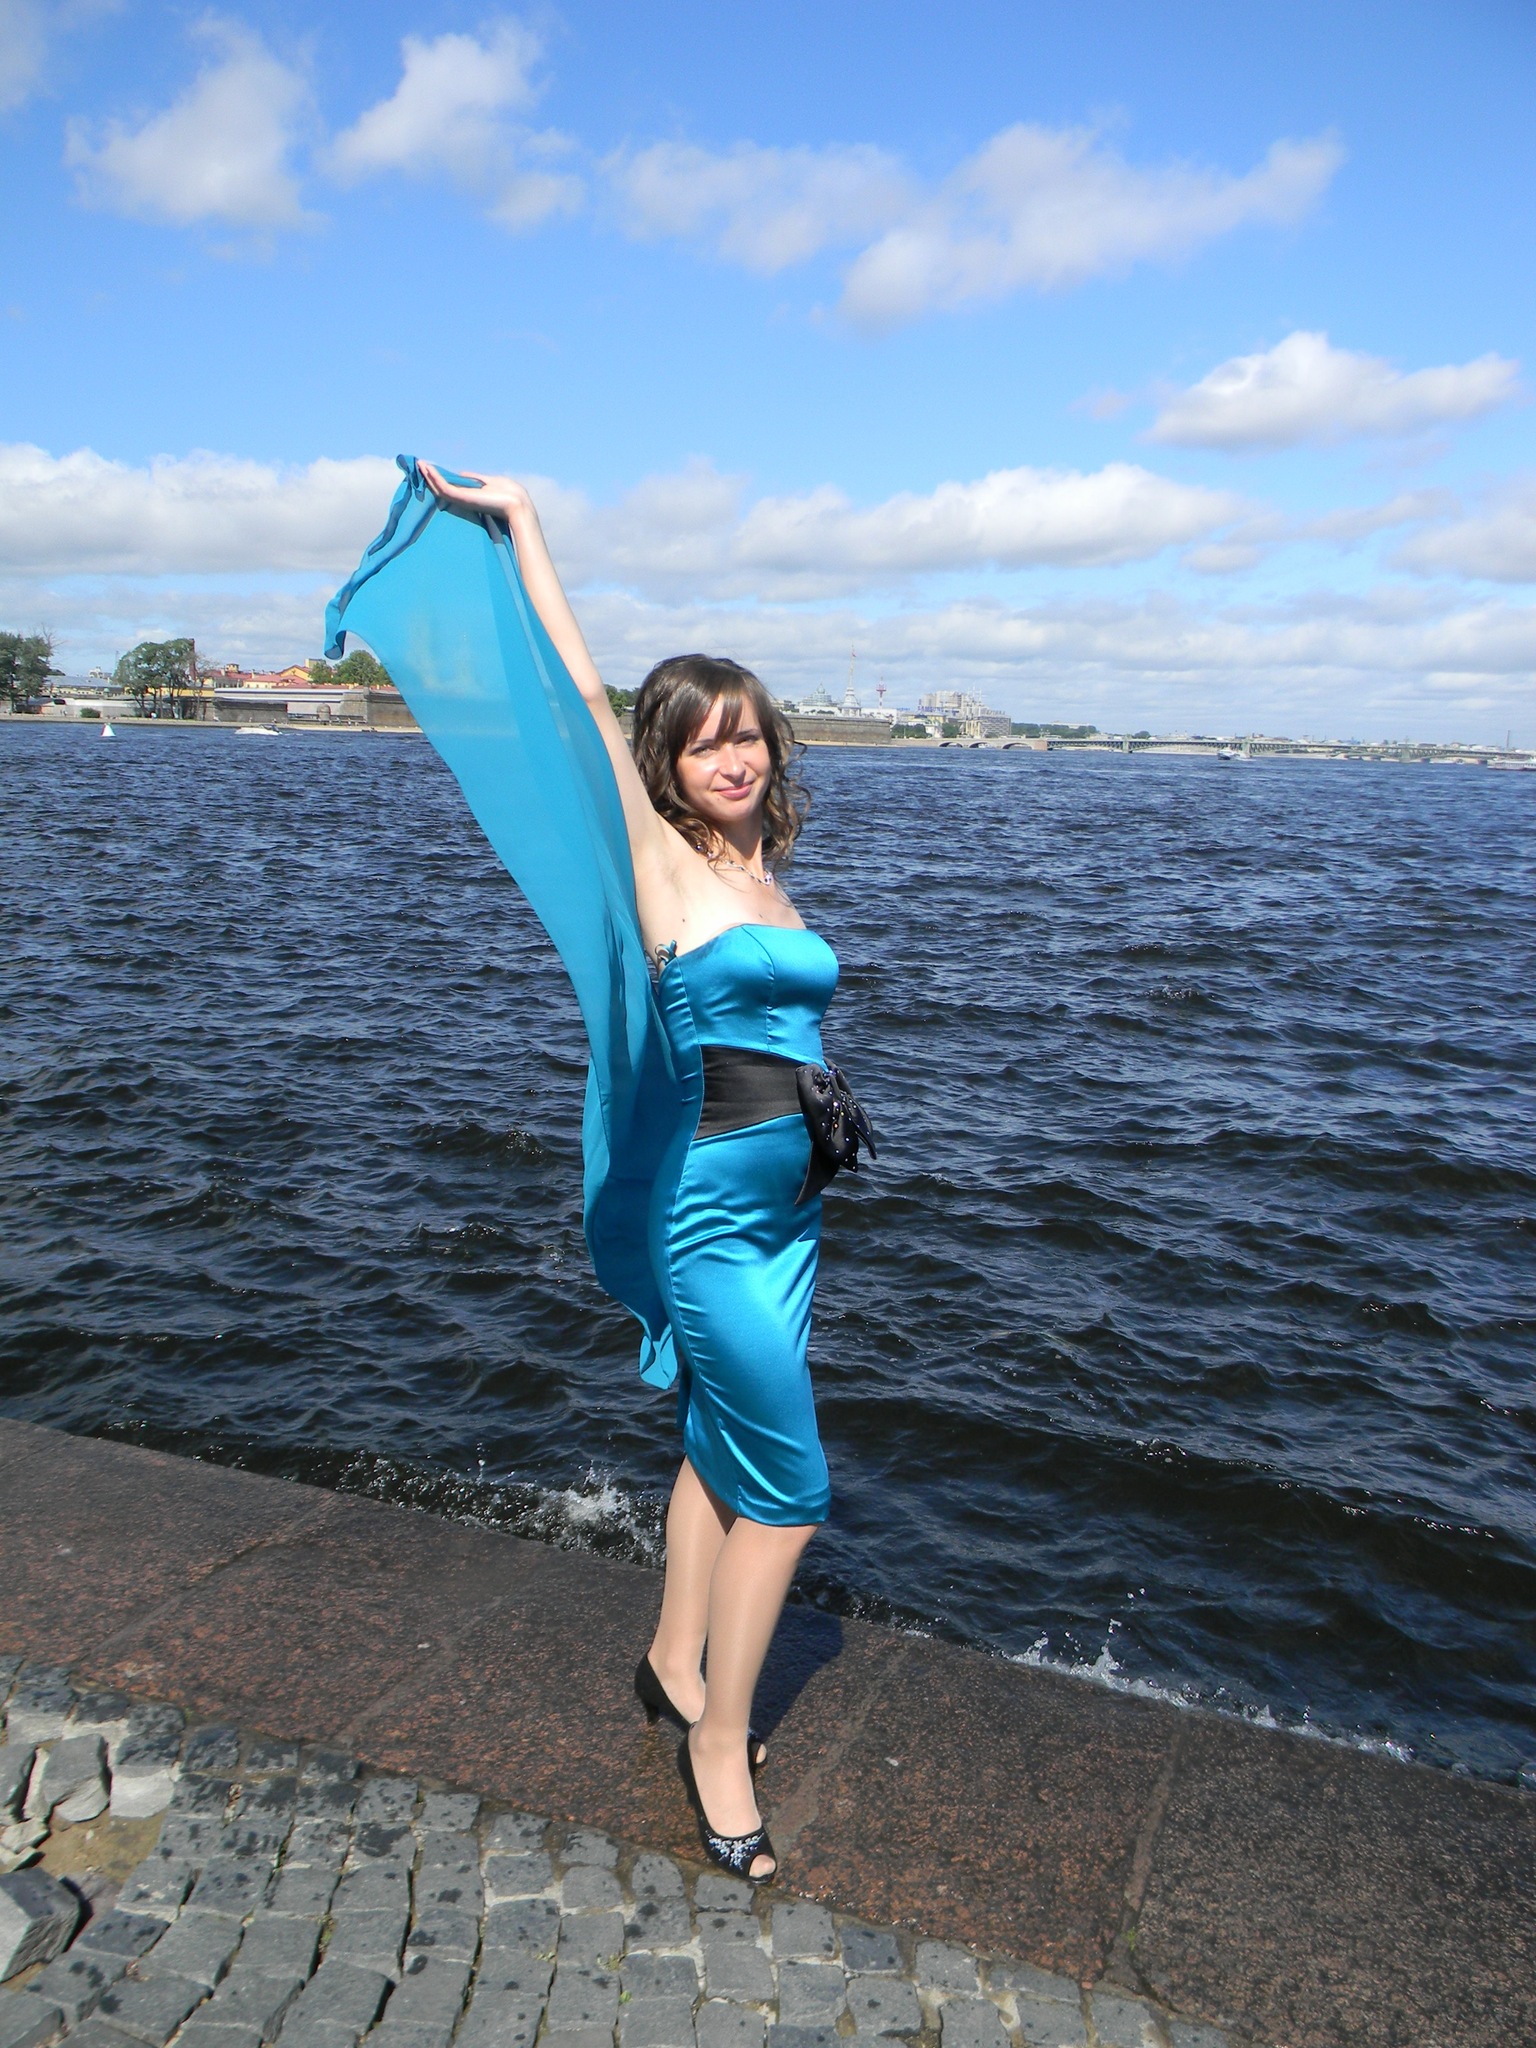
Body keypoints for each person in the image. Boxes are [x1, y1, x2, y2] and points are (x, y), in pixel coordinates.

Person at [419, 462, 853, 1886]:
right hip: (712, 1216)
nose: (734, 760)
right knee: (791, 1491)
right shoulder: (665, 864)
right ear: (668, 759)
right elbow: (581, 702)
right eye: (706, 742)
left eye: (751, 737)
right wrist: (526, 528)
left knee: (721, 1451)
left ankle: (675, 1655)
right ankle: (718, 1738)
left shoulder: (765, 874)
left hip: (787, 1215)